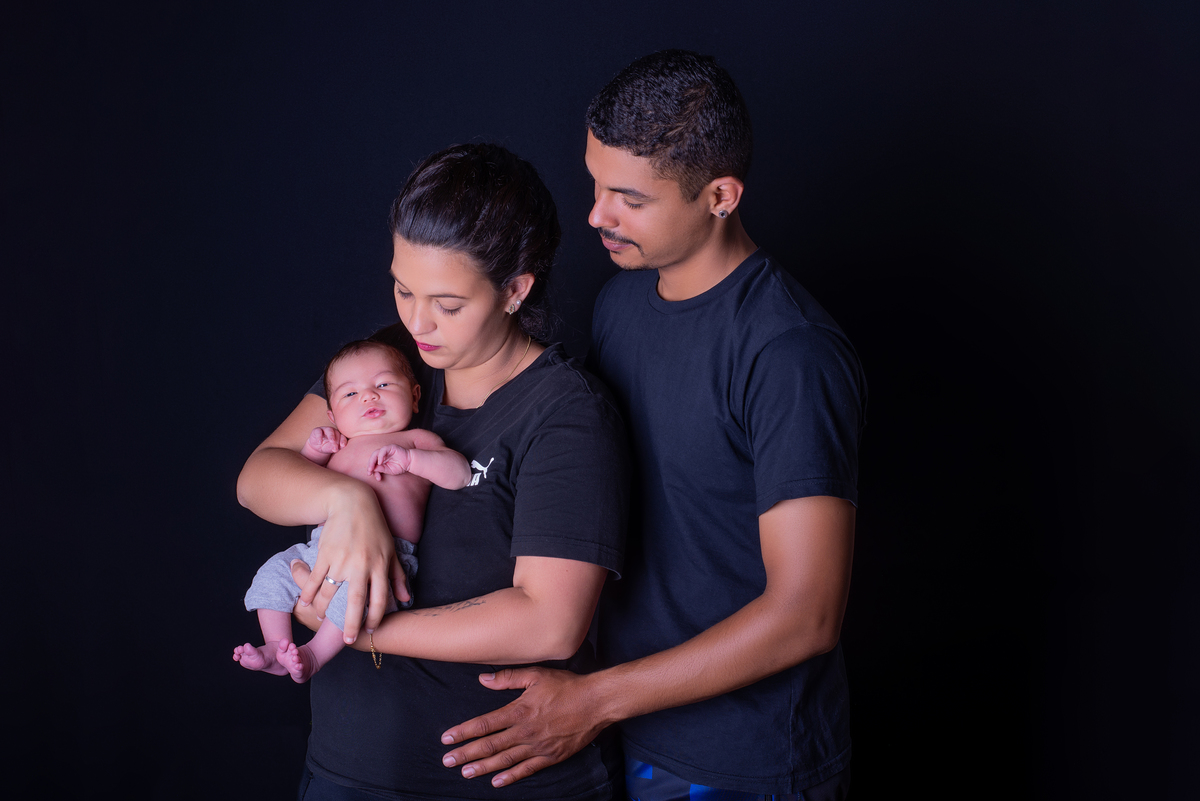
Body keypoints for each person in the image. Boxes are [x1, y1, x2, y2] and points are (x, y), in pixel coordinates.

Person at [438, 51, 865, 800]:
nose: (597, 215)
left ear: (720, 195)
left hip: (743, 765)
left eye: (629, 198)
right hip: (621, 732)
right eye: (596, 183)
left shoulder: (790, 353)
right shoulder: (620, 303)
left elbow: (808, 613)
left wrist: (594, 700)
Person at [236, 142, 628, 800]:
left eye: (447, 303)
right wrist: (348, 502)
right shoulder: (387, 365)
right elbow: (258, 478)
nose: (418, 321)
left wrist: (357, 627)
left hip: (492, 782)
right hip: (344, 770)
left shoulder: (565, 413)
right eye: (403, 287)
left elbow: (549, 621)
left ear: (515, 289)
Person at [234, 339, 472, 683]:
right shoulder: (337, 444)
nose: (368, 396)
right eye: (350, 394)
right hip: (321, 548)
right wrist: (315, 449)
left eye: (384, 385)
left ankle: (315, 653)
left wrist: (411, 460)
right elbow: (300, 478)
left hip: (386, 557)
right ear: (332, 415)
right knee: (274, 571)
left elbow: (459, 474)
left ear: (415, 395)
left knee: (355, 596)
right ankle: (276, 645)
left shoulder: (417, 440)